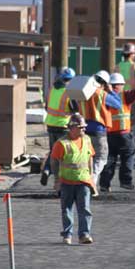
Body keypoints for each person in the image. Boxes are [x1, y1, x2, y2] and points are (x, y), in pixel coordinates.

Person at [100, 73, 135, 192]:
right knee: (128, 155)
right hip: (123, 134)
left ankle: (104, 184)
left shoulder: (103, 97)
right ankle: (125, 182)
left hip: (108, 134)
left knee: (110, 159)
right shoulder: (125, 96)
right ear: (119, 85)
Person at [50, 113, 95, 245]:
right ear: (72, 128)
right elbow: (54, 161)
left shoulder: (87, 139)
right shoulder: (62, 143)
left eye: (83, 127)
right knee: (67, 209)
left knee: (85, 209)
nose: (84, 129)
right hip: (67, 182)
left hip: (83, 181)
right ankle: (67, 235)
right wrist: (57, 180)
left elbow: (90, 157)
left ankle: (84, 234)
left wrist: (91, 177)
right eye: (81, 127)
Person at [78, 70, 122, 189]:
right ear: (105, 83)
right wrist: (111, 91)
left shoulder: (84, 92)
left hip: (84, 130)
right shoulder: (102, 94)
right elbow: (118, 105)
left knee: (88, 157)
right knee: (101, 158)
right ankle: (91, 182)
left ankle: (84, 181)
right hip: (99, 131)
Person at [41, 67, 76, 186]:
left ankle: (47, 169)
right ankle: (60, 179)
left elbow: (47, 107)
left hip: (51, 124)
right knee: (64, 154)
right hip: (63, 125)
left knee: (53, 151)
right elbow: (75, 109)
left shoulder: (52, 90)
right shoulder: (69, 92)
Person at [115, 43, 135, 155]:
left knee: (127, 122)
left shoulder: (117, 67)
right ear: (132, 54)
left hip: (121, 99)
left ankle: (127, 145)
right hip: (134, 97)